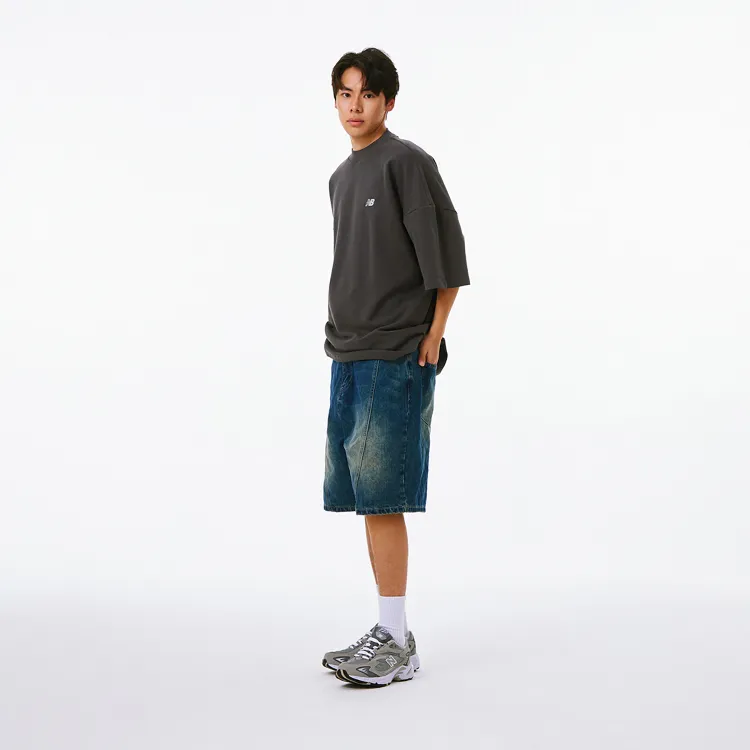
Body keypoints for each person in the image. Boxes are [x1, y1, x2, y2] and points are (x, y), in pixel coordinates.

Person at [321, 47, 471, 688]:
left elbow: (448, 260)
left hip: (397, 352)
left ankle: (398, 641)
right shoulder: (340, 177)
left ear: (388, 101)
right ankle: (389, 629)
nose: (355, 106)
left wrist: (434, 334)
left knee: (385, 500)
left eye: (367, 94)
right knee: (367, 501)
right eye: (345, 94)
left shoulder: (407, 163)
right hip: (348, 352)